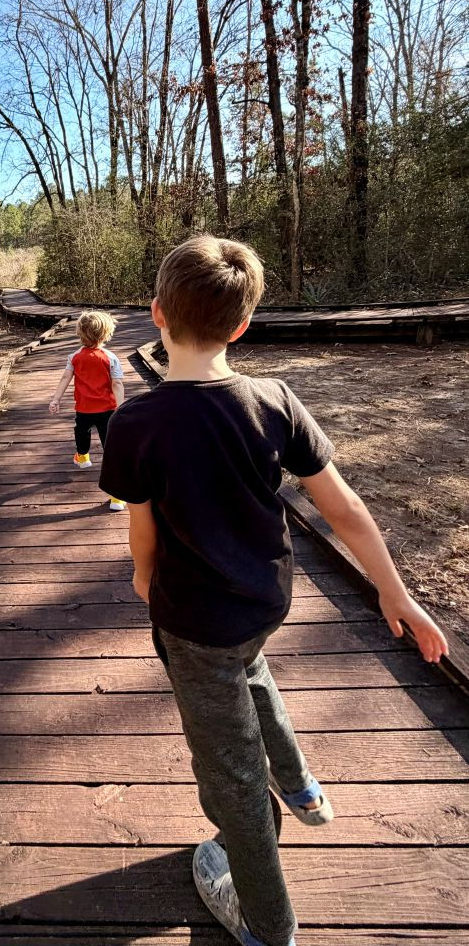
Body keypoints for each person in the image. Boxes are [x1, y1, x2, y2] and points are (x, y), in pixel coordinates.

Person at [99, 235, 448, 946]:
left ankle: (267, 922)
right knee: (251, 666)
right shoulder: (274, 401)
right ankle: (300, 787)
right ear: (242, 326)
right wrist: (396, 593)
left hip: (194, 620)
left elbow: (143, 526)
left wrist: (142, 577)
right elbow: (344, 508)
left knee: (229, 774)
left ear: (157, 313)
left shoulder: (135, 422)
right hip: (265, 602)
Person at [49, 309, 127, 511]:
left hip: (84, 408)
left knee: (81, 431)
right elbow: (117, 383)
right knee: (111, 449)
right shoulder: (110, 357)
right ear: (106, 334)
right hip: (108, 410)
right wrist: (121, 408)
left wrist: (56, 399)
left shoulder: (74, 357)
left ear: (79, 333)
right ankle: (117, 497)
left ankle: (83, 456)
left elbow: (65, 378)